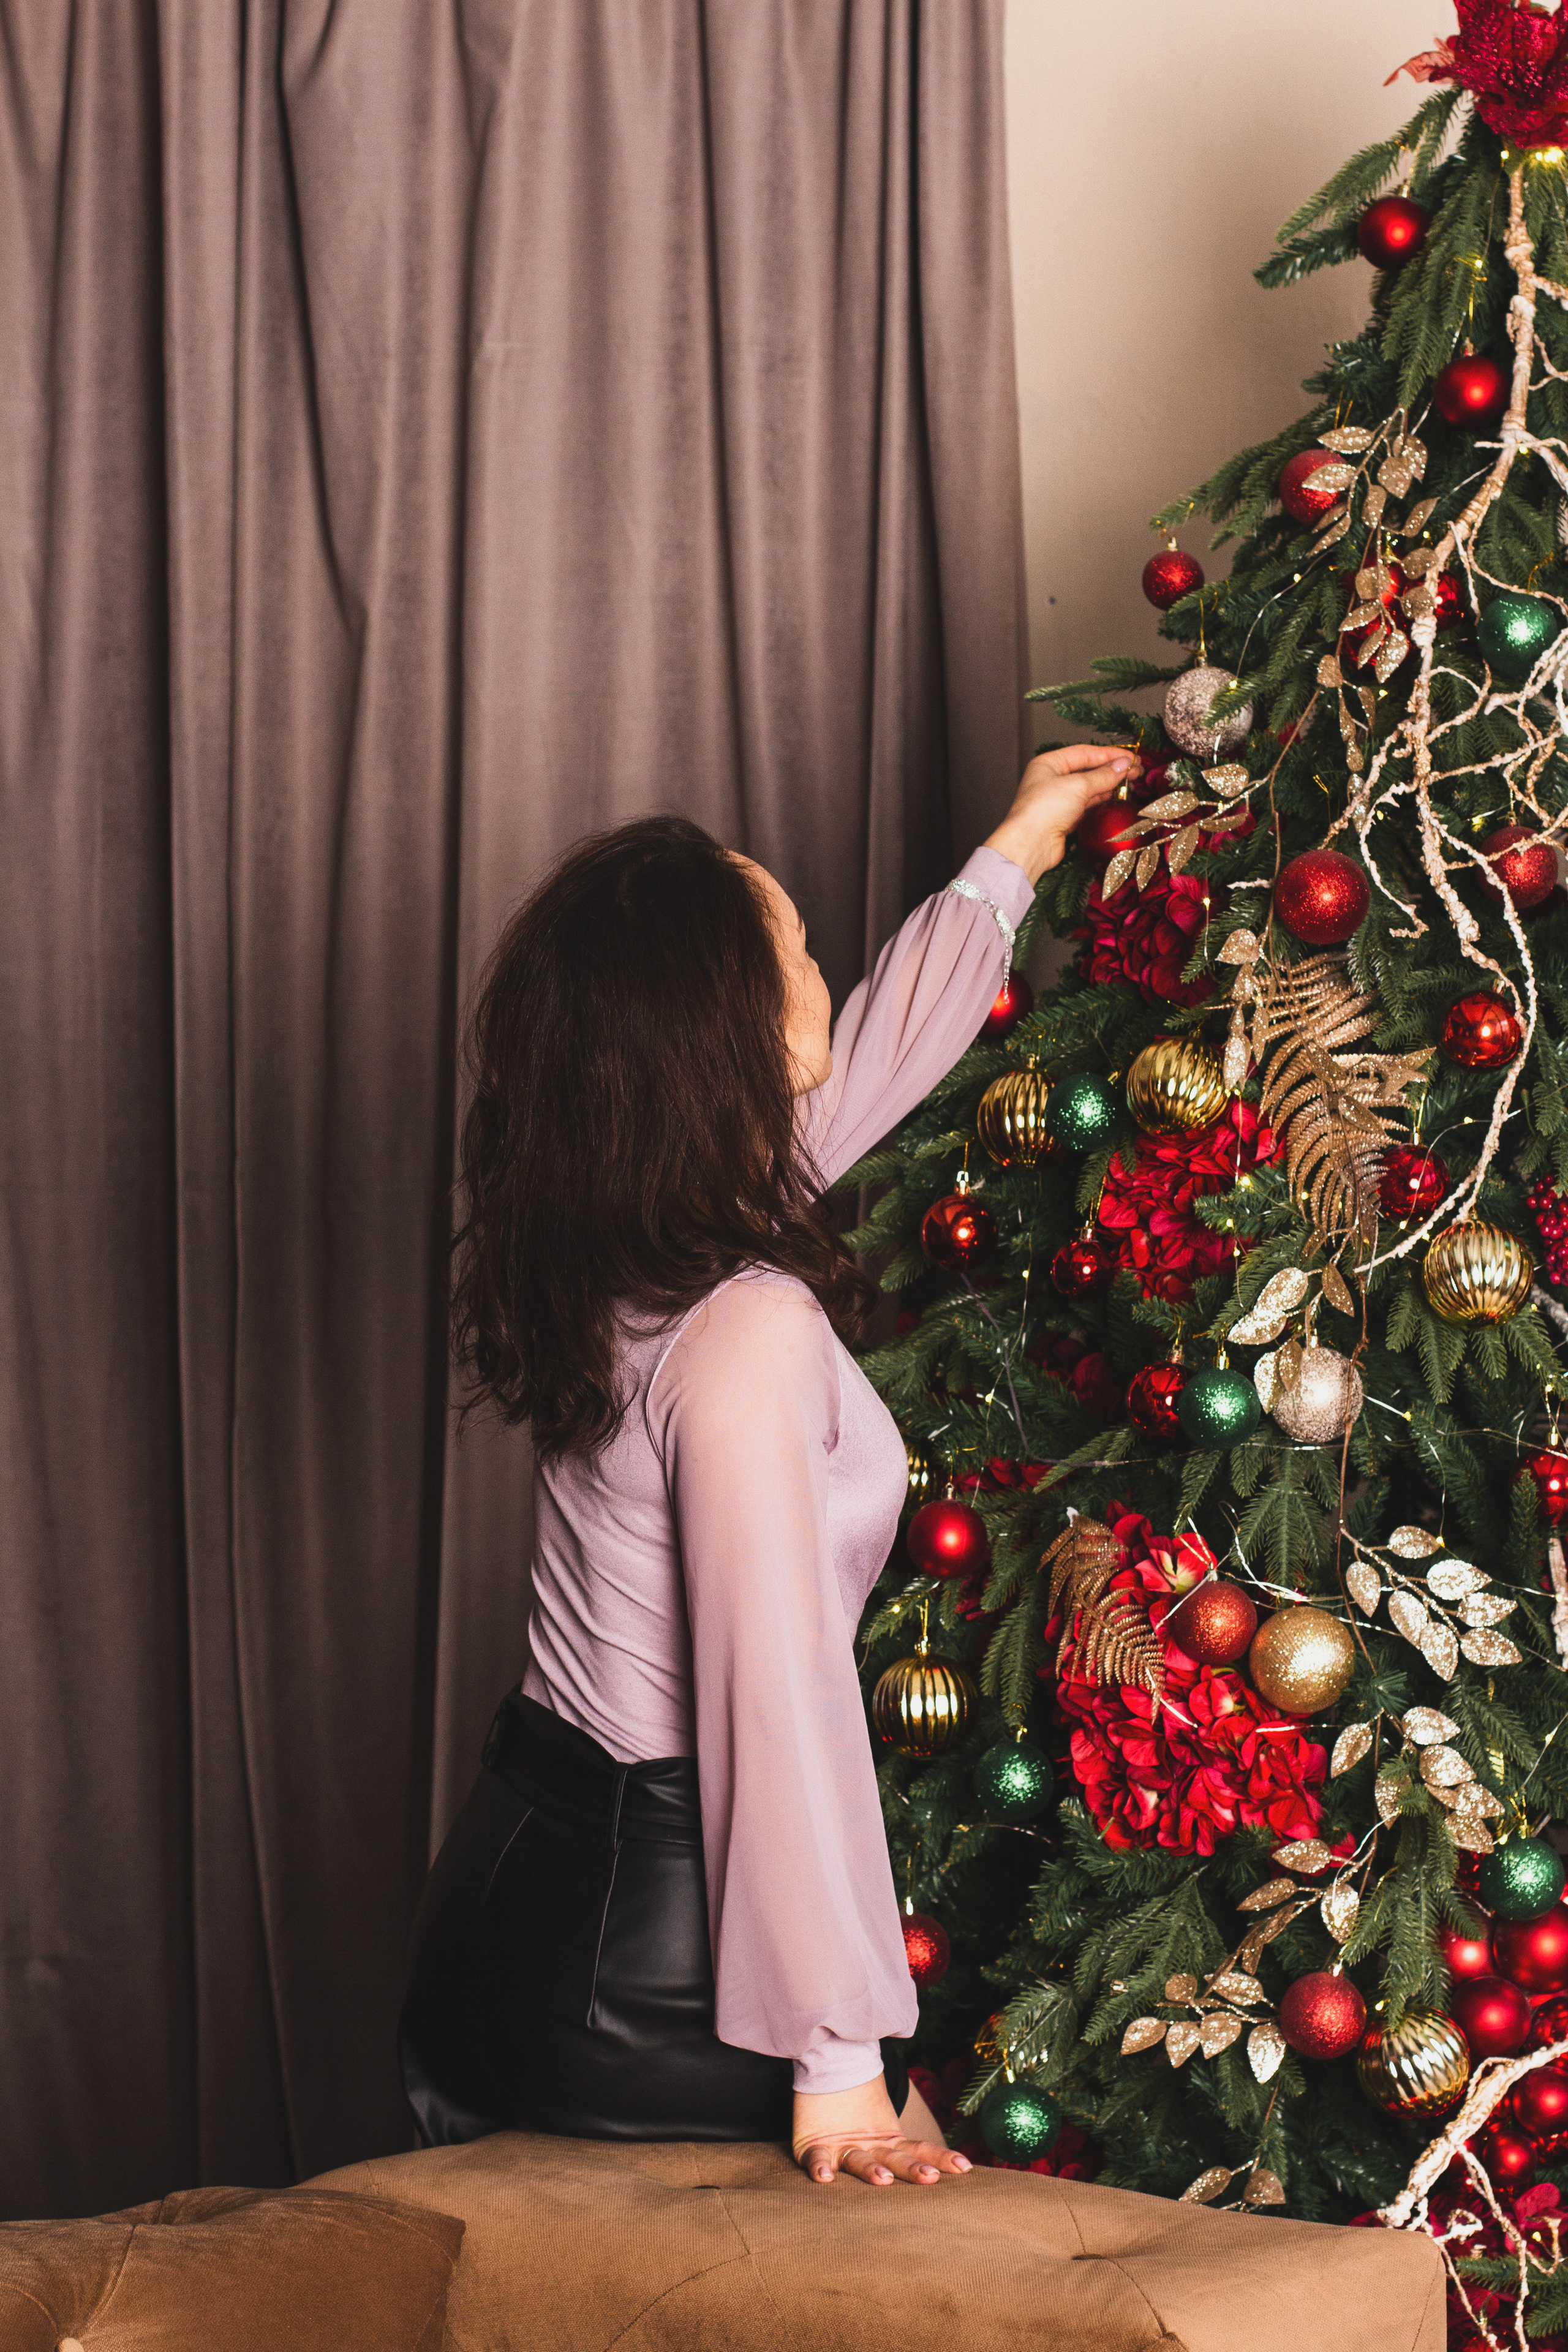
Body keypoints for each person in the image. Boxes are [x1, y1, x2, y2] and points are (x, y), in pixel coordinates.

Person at [399, 744, 1138, 2190]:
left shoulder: (644, 1233)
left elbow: (866, 1066)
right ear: (725, 1028)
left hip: (540, 1879)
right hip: (648, 1948)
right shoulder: (746, 1328)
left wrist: (1019, 853)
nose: (821, 970)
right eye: (797, 950)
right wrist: (836, 2065)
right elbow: (773, 1698)